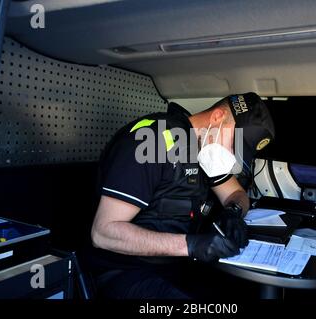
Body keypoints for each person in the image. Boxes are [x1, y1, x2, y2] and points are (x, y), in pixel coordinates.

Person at [85, 92, 275, 298]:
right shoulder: (152, 142)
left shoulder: (207, 151)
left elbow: (236, 193)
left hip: (176, 265)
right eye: (233, 145)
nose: (231, 156)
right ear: (217, 117)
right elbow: (103, 233)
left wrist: (233, 212)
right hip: (125, 271)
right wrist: (192, 245)